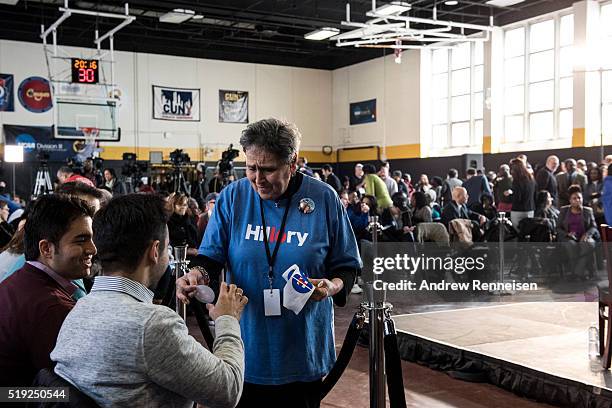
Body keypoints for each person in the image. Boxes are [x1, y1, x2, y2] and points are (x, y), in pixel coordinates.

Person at [177, 118, 361, 407]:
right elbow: (210, 257)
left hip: (302, 348)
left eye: (268, 169)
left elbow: (347, 265)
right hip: (247, 348)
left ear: (293, 163)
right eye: (251, 168)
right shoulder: (233, 198)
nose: (258, 179)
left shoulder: (324, 198)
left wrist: (332, 286)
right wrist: (196, 274)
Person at [51, 194, 247, 408]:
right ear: (155, 251)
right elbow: (228, 390)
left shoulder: (79, 308)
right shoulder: (152, 323)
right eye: (167, 248)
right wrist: (228, 319)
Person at [0, 195, 96, 387]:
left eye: (92, 238)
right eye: (81, 240)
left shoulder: (19, 280)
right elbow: (71, 388)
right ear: (46, 249)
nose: (92, 249)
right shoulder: (53, 308)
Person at [557, 188, 599, 279]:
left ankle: (577, 272)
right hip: (569, 237)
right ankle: (579, 272)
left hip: (585, 236)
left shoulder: (588, 211)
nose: (577, 200)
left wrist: (587, 235)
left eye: (579, 198)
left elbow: (594, 227)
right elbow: (558, 228)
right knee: (571, 246)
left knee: (588, 245)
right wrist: (567, 234)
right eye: (574, 198)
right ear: (570, 200)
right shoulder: (564, 210)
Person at [168, 193, 200, 261]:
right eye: (179, 204)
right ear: (173, 205)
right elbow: (168, 246)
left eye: (184, 205)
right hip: (175, 258)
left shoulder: (190, 219)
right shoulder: (168, 221)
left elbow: (196, 238)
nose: (182, 207)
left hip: (193, 255)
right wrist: (187, 251)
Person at [509, 158, 536, 229]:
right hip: (530, 209)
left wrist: (509, 195)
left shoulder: (517, 180)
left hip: (518, 210)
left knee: (519, 233)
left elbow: (517, 198)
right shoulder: (531, 178)